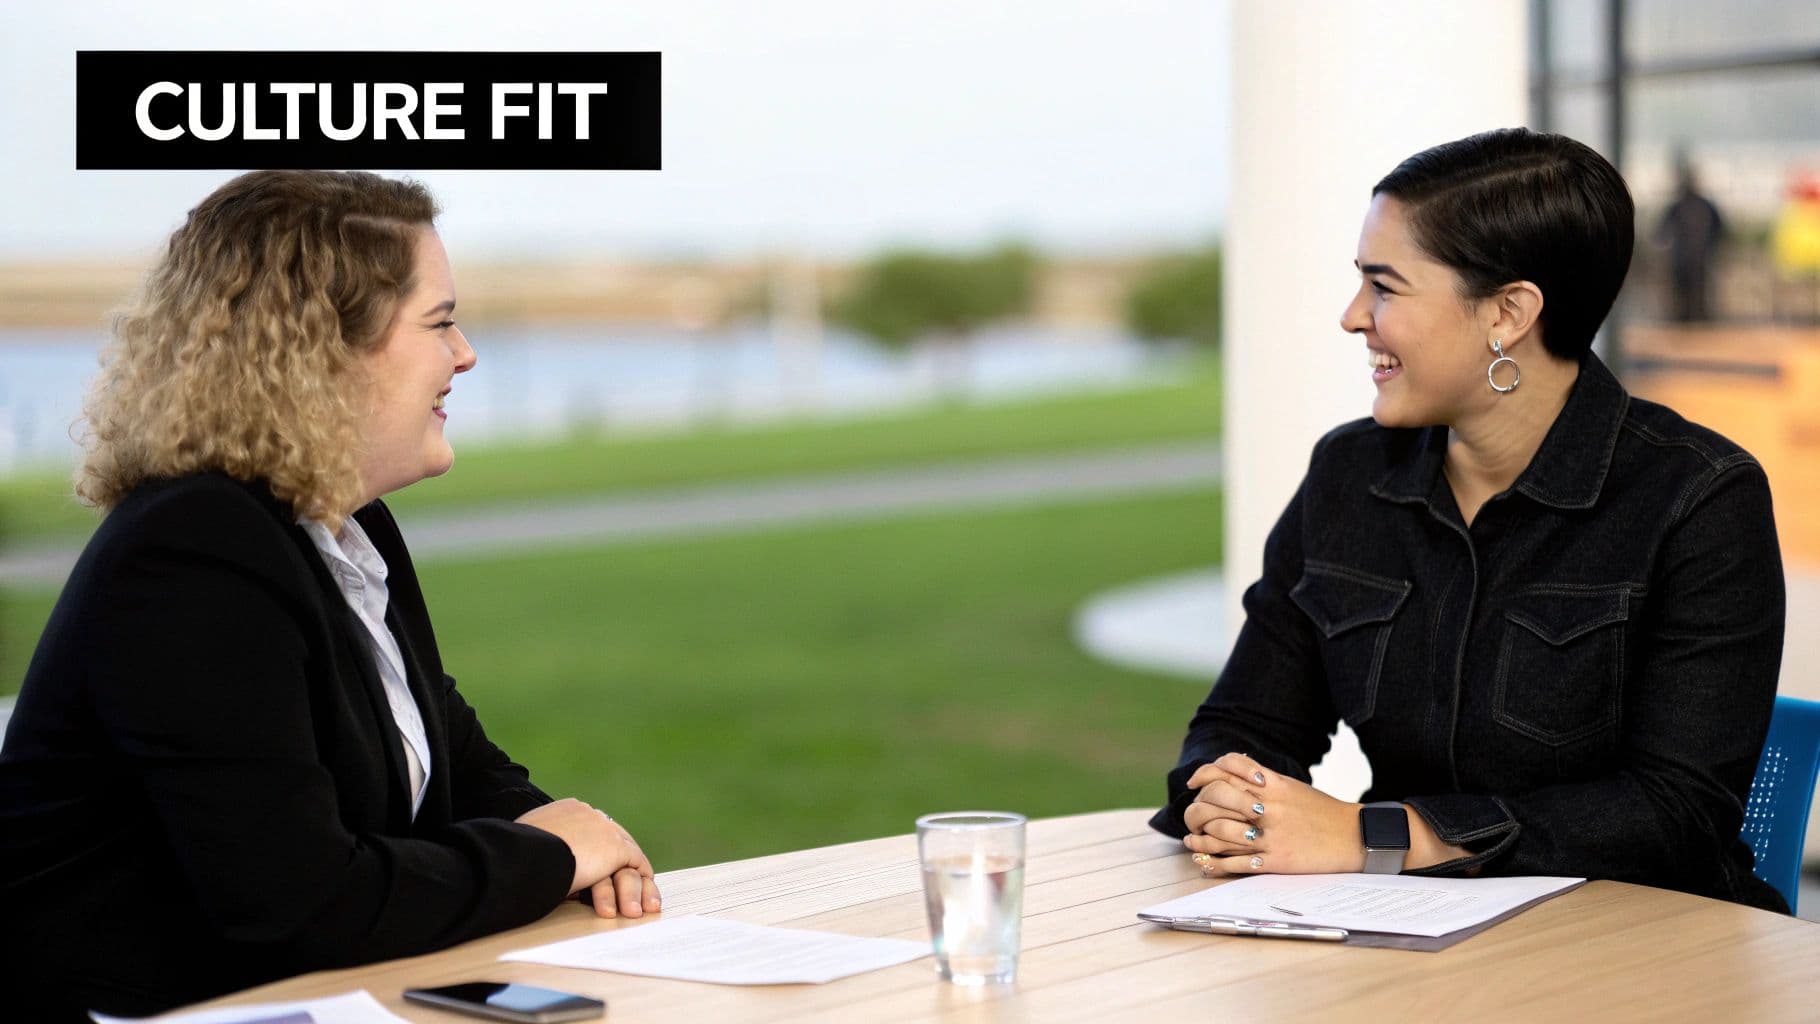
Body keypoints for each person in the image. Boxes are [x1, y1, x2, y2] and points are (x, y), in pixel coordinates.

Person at [0, 170, 662, 1020]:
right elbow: (299, 907)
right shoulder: (192, 550)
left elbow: (459, 768)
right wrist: (550, 855)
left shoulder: (345, 526)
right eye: (440, 323)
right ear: (323, 350)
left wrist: (587, 844)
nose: (464, 354)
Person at [1150, 129, 1788, 913]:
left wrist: (1378, 836)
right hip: (1405, 931)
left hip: (1644, 942)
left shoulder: (1699, 498)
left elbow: (1675, 814)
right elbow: (1244, 720)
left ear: (1508, 313)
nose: (1353, 317)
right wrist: (1228, 796)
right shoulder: (1348, 476)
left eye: (1385, 287)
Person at [1655, 155, 1725, 322]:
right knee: (1686, 299)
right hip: (1687, 260)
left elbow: (1719, 230)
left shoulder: (1691, 205)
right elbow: (1661, 232)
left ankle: (1693, 320)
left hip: (1695, 260)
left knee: (1695, 298)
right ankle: (1688, 320)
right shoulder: (1686, 206)